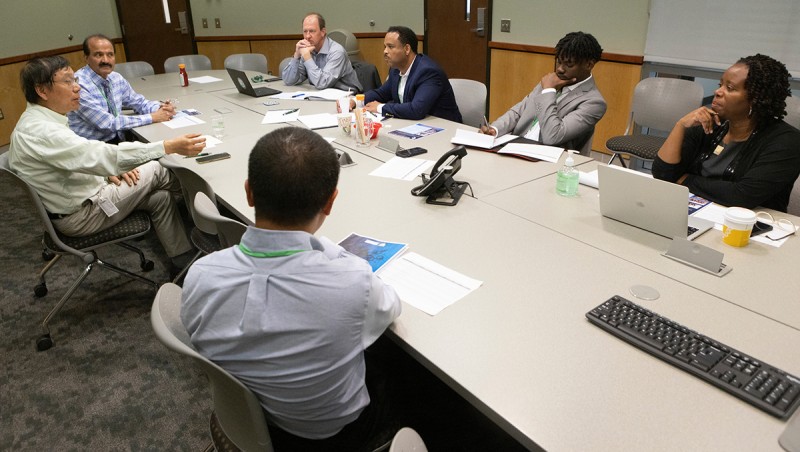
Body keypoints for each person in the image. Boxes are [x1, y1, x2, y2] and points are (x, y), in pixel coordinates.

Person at [181, 127, 402, 450]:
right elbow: (391, 307)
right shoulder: (353, 281)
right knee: (399, 367)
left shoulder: (200, 274)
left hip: (245, 421)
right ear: (330, 202)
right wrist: (329, 251)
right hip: (331, 436)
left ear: (249, 193)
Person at [8, 55, 206, 270]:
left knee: (160, 198)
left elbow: (76, 160)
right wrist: (167, 146)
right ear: (42, 91)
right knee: (162, 168)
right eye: (67, 81)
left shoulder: (35, 121)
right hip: (82, 215)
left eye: (75, 80)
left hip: (74, 202)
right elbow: (105, 156)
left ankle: (184, 263)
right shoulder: (43, 132)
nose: (77, 88)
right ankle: (215, 222)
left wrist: (104, 173)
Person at [653, 54, 800, 212]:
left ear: (756, 99)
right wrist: (680, 125)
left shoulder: (787, 141)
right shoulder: (710, 122)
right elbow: (663, 174)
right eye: (720, 84)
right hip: (699, 212)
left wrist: (685, 179)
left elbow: (742, 196)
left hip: (753, 225)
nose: (717, 92)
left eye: (729, 88)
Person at [481, 31, 606, 156]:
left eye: (569, 64)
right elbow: (519, 111)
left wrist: (548, 91)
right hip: (516, 147)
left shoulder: (593, 102)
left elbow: (553, 136)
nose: (560, 69)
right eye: (559, 61)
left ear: (589, 64)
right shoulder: (550, 82)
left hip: (549, 160)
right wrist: (495, 129)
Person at [67, 34, 176, 143]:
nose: (105, 60)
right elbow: (108, 123)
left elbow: (138, 102)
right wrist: (153, 117)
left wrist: (161, 108)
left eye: (110, 55)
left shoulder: (115, 78)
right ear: (86, 58)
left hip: (119, 139)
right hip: (95, 147)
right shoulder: (78, 85)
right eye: (98, 55)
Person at [363, 26, 462, 123]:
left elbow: (416, 109)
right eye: (385, 47)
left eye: (391, 47)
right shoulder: (396, 69)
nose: (385, 51)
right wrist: (356, 100)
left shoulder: (428, 72)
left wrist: (380, 107)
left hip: (444, 128)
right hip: (413, 125)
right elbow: (381, 93)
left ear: (407, 49)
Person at [281, 13, 362, 92]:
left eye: (312, 31)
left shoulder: (337, 51)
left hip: (345, 96)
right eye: (305, 31)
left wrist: (307, 57)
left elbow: (322, 83)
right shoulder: (308, 50)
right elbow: (289, 81)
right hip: (321, 95)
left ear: (323, 32)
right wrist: (297, 55)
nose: (307, 36)